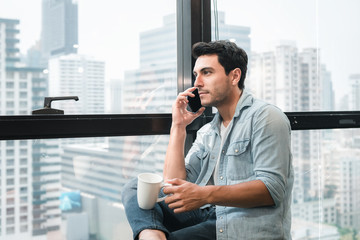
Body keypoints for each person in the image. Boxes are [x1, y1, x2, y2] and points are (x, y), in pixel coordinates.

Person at [122, 40, 294, 240]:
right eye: (197, 74)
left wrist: (204, 195)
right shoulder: (208, 131)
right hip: (211, 214)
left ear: (234, 76)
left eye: (207, 72)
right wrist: (178, 127)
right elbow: (173, 185)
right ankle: (150, 235)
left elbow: (271, 190)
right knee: (135, 187)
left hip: (242, 225)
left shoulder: (266, 117)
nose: (197, 83)